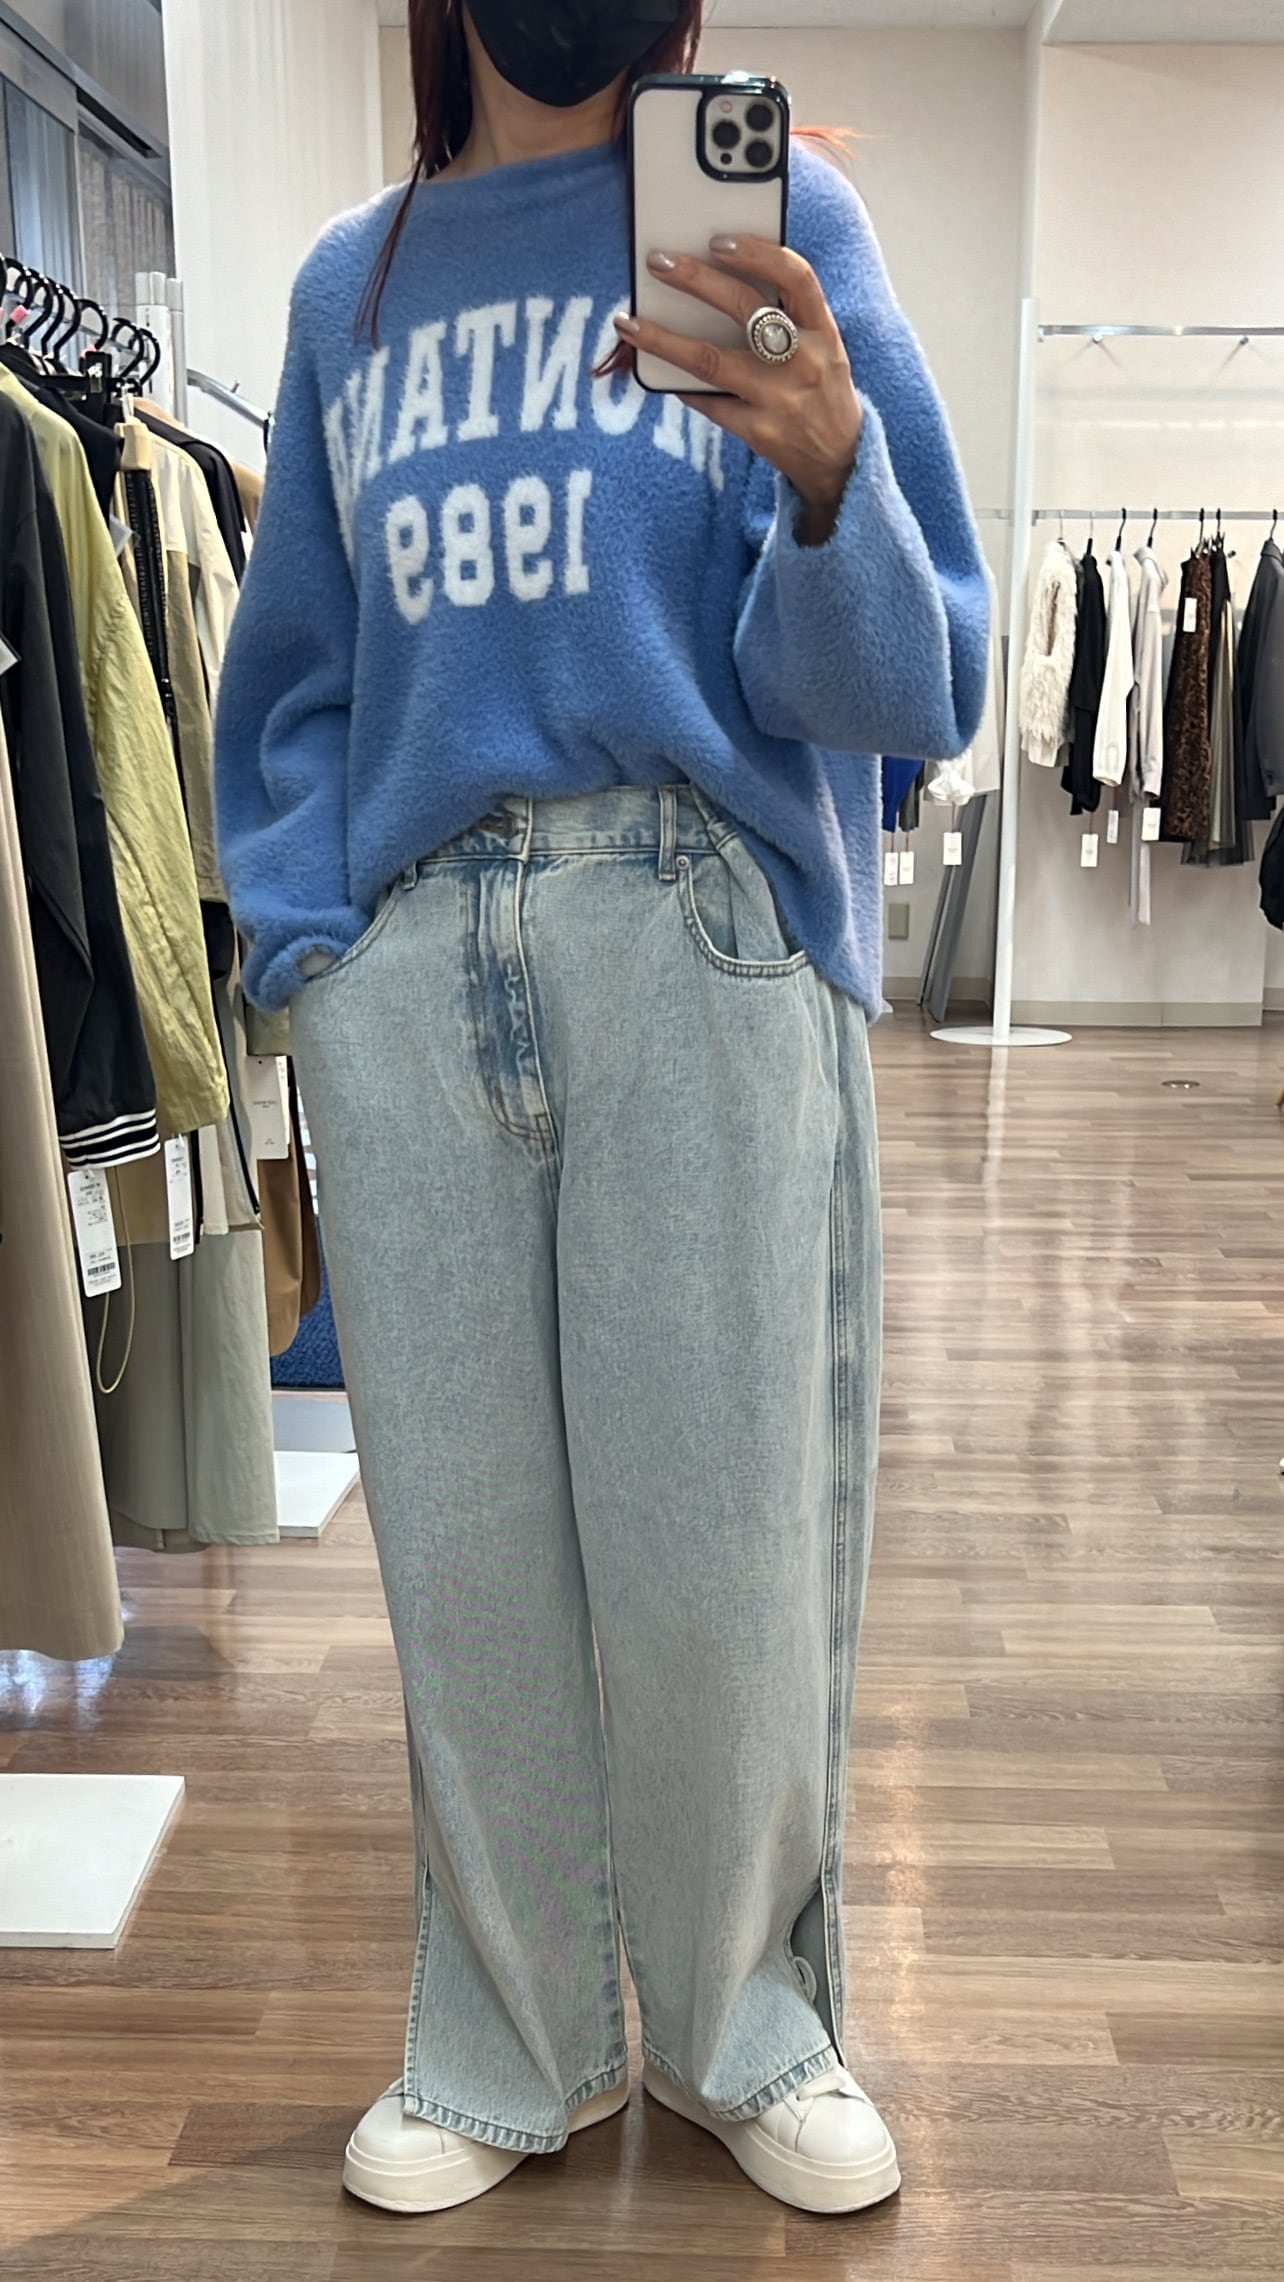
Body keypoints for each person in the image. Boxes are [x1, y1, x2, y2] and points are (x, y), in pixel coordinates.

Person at [215, 0, 988, 2223]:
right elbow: (296, 672)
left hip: (698, 938)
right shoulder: (353, 285)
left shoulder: (779, 221)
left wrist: (830, 475)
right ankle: (515, 2036)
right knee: (466, 1552)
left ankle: (747, 2020)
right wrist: (316, 949)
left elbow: (908, 684)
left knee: (721, 1556)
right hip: (417, 960)